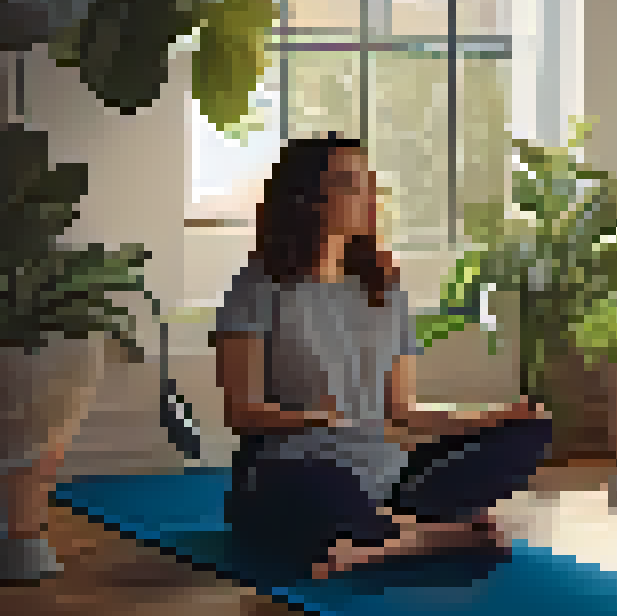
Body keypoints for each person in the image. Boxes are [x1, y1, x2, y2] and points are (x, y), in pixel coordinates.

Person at [212, 136, 555, 580]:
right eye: (351, 184)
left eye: (369, 183)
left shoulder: (384, 288)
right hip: (297, 467)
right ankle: (442, 536)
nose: (368, 196)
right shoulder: (257, 286)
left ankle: (383, 538)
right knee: (323, 495)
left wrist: (492, 416)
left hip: (388, 471)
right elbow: (239, 410)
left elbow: (403, 412)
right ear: (309, 198)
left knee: (531, 428)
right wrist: (314, 419)